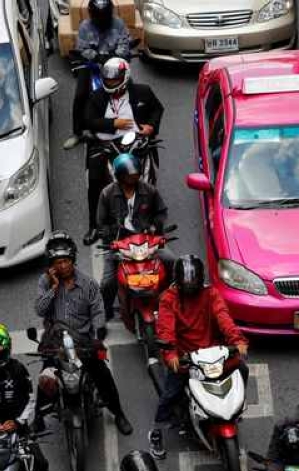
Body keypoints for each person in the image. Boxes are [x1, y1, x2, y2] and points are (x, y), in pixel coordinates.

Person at [34, 233, 132, 436]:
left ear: (73, 260)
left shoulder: (88, 284)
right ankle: (37, 418)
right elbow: (40, 310)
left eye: (66, 261)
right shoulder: (45, 282)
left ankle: (119, 413)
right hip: (55, 342)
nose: (63, 266)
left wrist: (96, 337)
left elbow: (98, 312)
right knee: (45, 378)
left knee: (103, 376)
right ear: (51, 265)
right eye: (58, 262)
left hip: (83, 342)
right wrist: (54, 287)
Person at [152, 255, 248, 459]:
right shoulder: (168, 299)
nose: (190, 288)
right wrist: (171, 354)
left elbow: (223, 317)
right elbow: (166, 329)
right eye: (186, 285)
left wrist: (237, 340)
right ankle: (156, 432)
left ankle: (235, 408)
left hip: (214, 354)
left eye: (193, 284)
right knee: (170, 395)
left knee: (242, 369)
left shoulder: (210, 293)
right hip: (186, 357)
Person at [82, 58, 164, 243]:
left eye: (115, 79)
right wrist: (113, 124)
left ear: (125, 77)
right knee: (94, 181)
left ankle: (153, 221)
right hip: (105, 143)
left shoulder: (143, 91)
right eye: (108, 80)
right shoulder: (96, 97)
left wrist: (151, 126)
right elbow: (88, 120)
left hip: (135, 140)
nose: (111, 83)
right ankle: (94, 226)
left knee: (146, 176)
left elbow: (157, 109)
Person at [93, 153, 176, 321]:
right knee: (108, 282)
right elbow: (101, 222)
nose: (133, 178)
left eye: (136, 174)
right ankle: (104, 311)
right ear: (119, 176)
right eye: (129, 176)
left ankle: (171, 298)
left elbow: (161, 212)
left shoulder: (149, 191)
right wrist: (110, 235)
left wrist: (155, 227)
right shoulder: (107, 194)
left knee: (171, 261)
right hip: (120, 243)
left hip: (146, 241)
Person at [63, 0, 131, 150]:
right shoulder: (85, 26)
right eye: (98, 16)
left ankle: (133, 124)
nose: (101, 20)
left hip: (114, 64)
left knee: (131, 90)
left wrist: (114, 56)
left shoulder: (119, 24)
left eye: (104, 16)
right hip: (91, 65)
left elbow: (124, 43)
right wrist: (97, 57)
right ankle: (77, 133)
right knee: (80, 95)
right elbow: (82, 47)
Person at [0, 325, 48, 471]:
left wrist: (17, 422)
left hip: (18, 429)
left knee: (41, 462)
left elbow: (30, 399)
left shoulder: (19, 369)